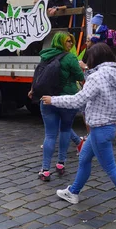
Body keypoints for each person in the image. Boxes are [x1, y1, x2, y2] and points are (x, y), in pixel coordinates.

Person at [43, 43, 116, 220]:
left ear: (95, 59)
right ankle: (73, 192)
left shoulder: (96, 77)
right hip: (108, 126)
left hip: (99, 128)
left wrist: (53, 100)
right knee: (84, 158)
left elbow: (77, 101)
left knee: (111, 168)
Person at [29, 32, 84, 181]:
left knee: (50, 135)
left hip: (48, 99)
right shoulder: (71, 57)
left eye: (71, 42)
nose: (70, 44)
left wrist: (33, 90)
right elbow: (80, 76)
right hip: (67, 100)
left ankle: (45, 169)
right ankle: (61, 163)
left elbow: (38, 75)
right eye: (68, 42)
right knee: (65, 130)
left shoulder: (45, 56)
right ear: (61, 42)